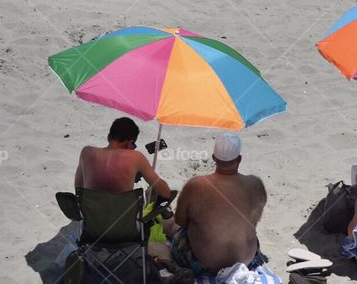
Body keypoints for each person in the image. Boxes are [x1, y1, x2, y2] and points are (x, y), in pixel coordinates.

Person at [169, 133, 269, 278]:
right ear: (239, 159)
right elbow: (254, 221)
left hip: (204, 265)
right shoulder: (255, 184)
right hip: (246, 260)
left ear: (214, 158)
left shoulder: (196, 185)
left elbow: (180, 221)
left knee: (173, 226)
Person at [74, 117, 172, 197]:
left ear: (109, 137)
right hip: (123, 220)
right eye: (134, 145)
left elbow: (79, 189)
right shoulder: (136, 157)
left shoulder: (87, 152)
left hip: (90, 217)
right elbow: (165, 192)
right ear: (129, 143)